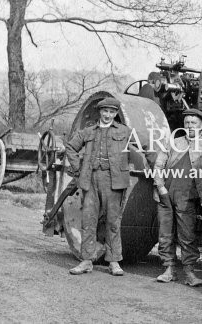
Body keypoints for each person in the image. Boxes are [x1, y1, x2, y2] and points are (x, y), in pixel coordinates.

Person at [152, 108, 202, 286]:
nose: (190, 126)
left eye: (194, 123)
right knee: (165, 234)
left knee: (187, 235)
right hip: (165, 194)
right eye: (187, 123)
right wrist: (160, 187)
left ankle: (189, 272)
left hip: (188, 196)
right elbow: (158, 166)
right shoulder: (172, 143)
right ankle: (169, 269)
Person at [66, 97, 132, 276]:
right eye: (105, 111)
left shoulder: (125, 132)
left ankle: (114, 262)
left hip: (114, 181)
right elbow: (71, 148)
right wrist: (78, 169)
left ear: (116, 114)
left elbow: (140, 149)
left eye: (112, 112)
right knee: (88, 220)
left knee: (113, 222)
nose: (108, 115)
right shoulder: (87, 132)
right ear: (100, 112)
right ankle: (86, 260)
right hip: (91, 180)